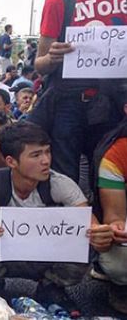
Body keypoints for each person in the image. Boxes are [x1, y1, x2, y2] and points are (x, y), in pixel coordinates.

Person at [0, 122, 113, 314]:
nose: (46, 160)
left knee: (83, 232)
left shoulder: (61, 184)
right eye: (36, 155)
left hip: (47, 259)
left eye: (47, 152)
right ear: (11, 161)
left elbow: (93, 228)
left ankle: (53, 286)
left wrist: (101, 237)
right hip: (2, 257)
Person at [30, 0, 127, 188]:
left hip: (115, 106)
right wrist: (53, 57)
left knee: (109, 178)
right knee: (66, 179)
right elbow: (40, 63)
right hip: (69, 105)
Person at [96, 108, 127, 314]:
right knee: (119, 262)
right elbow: (115, 217)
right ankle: (120, 285)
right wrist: (116, 228)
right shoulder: (116, 155)